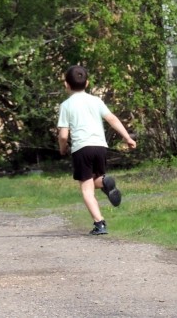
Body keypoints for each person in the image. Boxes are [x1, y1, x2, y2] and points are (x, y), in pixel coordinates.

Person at [57, 65, 136, 235]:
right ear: (87, 83)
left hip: (81, 148)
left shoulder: (66, 105)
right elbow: (112, 119)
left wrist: (62, 148)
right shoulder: (96, 101)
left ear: (66, 84)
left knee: (86, 189)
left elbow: (63, 135)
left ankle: (99, 223)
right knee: (95, 180)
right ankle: (105, 182)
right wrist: (127, 137)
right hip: (100, 146)